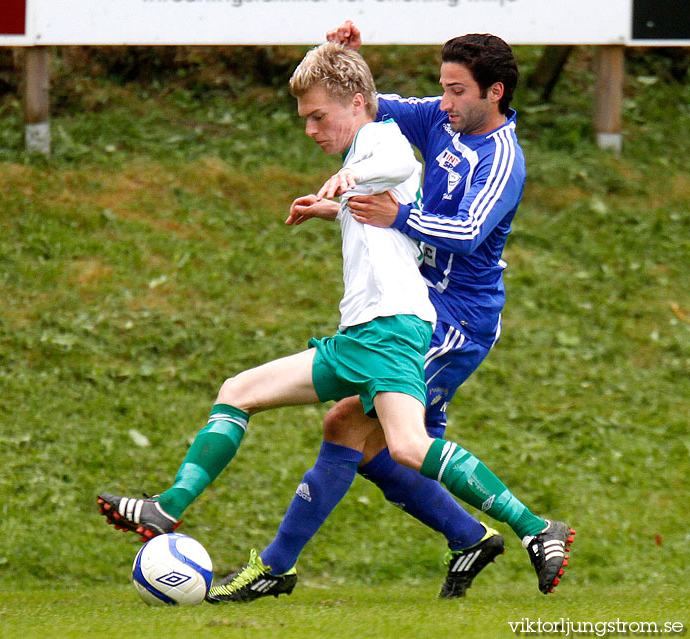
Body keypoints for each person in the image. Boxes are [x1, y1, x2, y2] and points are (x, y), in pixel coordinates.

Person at [96, 41, 485, 602]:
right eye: (305, 120)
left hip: (396, 329)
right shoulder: (363, 151)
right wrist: (335, 203)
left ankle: (526, 528)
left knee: (405, 447)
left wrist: (347, 182)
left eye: (317, 117)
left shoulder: (380, 140)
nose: (310, 130)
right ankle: (170, 509)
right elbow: (389, 198)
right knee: (251, 396)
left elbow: (400, 161)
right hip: (365, 335)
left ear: (356, 104)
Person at [208, 22, 575, 602]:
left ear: (494, 93)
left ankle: (531, 529)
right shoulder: (442, 120)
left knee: (354, 428)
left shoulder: (503, 157)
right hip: (419, 301)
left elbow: (470, 233)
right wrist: (344, 60)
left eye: (457, 90)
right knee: (379, 444)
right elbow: (369, 105)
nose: (443, 100)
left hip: (456, 319)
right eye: (443, 88)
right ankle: (471, 536)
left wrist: (396, 216)